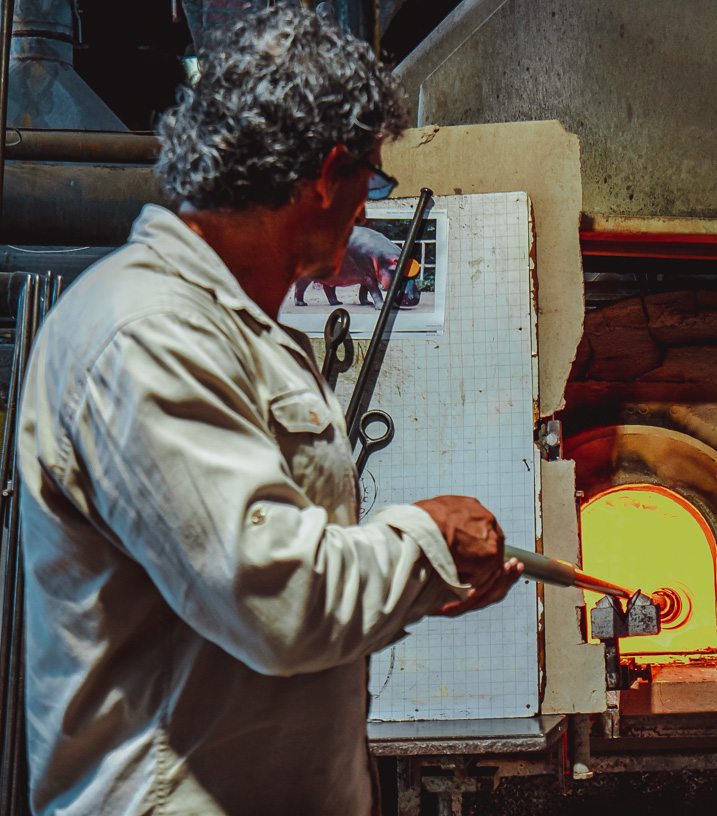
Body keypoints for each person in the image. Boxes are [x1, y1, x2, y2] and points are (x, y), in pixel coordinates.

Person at [16, 5, 521, 814]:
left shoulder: (236, 332)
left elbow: (258, 573)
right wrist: (427, 539)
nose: (367, 206)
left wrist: (419, 581)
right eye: (371, 180)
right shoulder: (148, 334)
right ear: (327, 173)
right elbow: (276, 599)